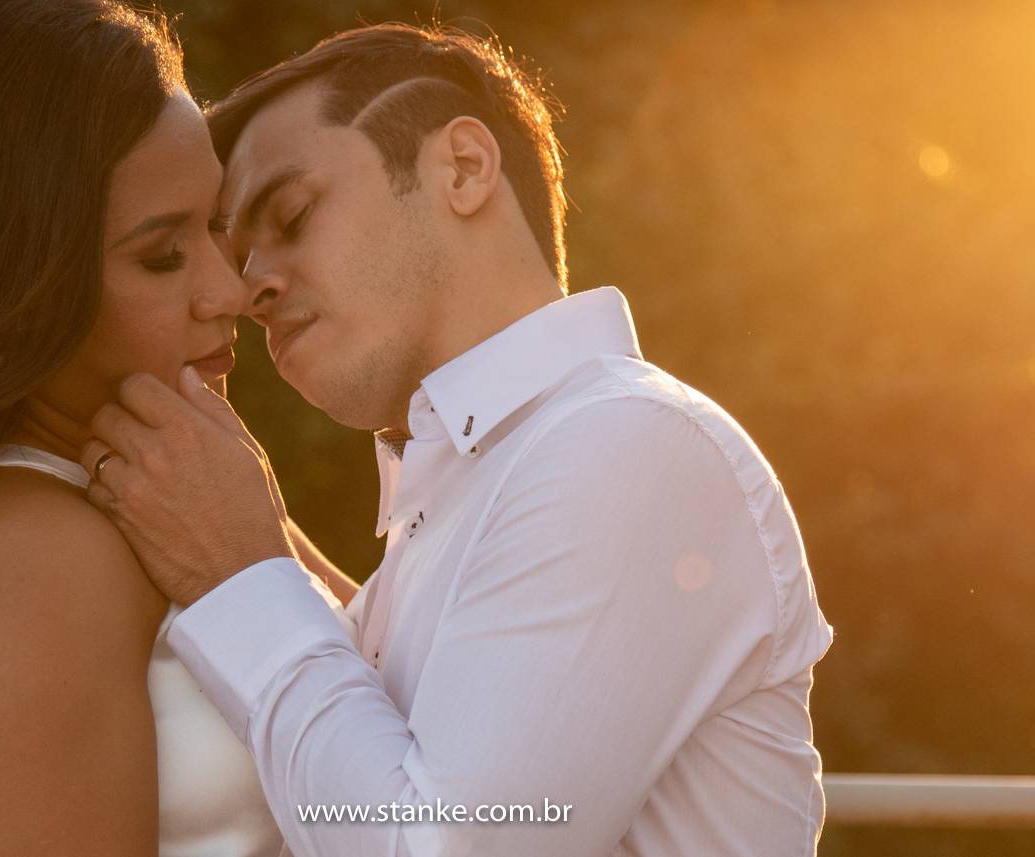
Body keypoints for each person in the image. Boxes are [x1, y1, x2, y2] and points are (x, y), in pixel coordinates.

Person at [83, 22, 834, 857]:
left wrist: (242, 570)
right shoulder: (476, 491)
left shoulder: (628, 442)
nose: (248, 285)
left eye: (290, 215)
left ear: (464, 168)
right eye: (236, 252)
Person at [0, 1, 352, 855]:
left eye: (216, 226)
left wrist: (266, 541)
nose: (229, 288)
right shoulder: (32, 555)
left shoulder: (166, 491)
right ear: (9, 284)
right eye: (162, 254)